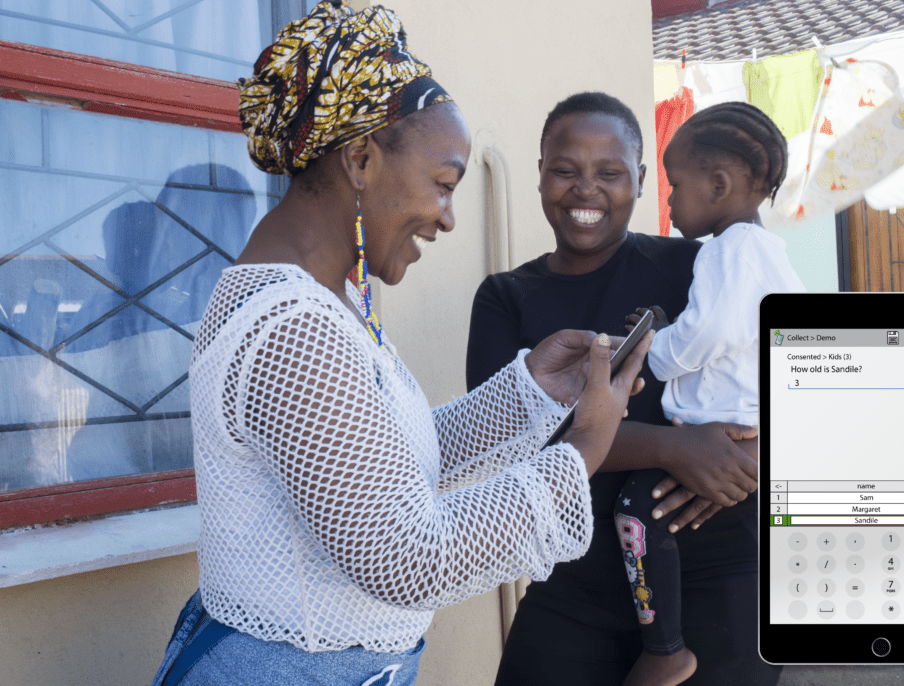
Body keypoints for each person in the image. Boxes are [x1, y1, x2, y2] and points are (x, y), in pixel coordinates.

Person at [148, 5, 650, 686]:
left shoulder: (329, 302)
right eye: (444, 185)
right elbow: (404, 554)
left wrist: (532, 389)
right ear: (359, 159)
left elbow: (381, 473)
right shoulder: (291, 329)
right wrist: (585, 447)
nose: (447, 216)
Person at [466, 92, 781, 686]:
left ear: (639, 180)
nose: (587, 190)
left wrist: (755, 452)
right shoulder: (506, 297)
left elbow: (796, 366)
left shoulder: (699, 264)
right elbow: (501, 440)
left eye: (609, 173)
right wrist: (672, 448)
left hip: (719, 575)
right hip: (574, 584)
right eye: (565, 170)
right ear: (539, 175)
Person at [613, 101, 805, 686]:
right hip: (748, 440)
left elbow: (710, 332)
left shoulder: (727, 250)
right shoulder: (772, 256)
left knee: (635, 514)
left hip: (719, 434)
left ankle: (665, 649)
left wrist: (653, 351)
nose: (668, 203)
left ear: (719, 185)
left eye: (676, 186)